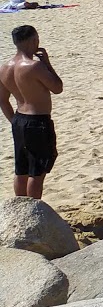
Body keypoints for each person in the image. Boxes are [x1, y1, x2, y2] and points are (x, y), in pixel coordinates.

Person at [1, 24, 63, 200]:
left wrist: (13, 120)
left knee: (21, 169)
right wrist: (48, 64)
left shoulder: (4, 68)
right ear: (33, 41)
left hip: (19, 120)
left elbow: (3, 100)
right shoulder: (34, 66)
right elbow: (57, 88)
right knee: (37, 171)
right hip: (38, 121)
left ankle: (20, 209)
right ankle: (33, 211)